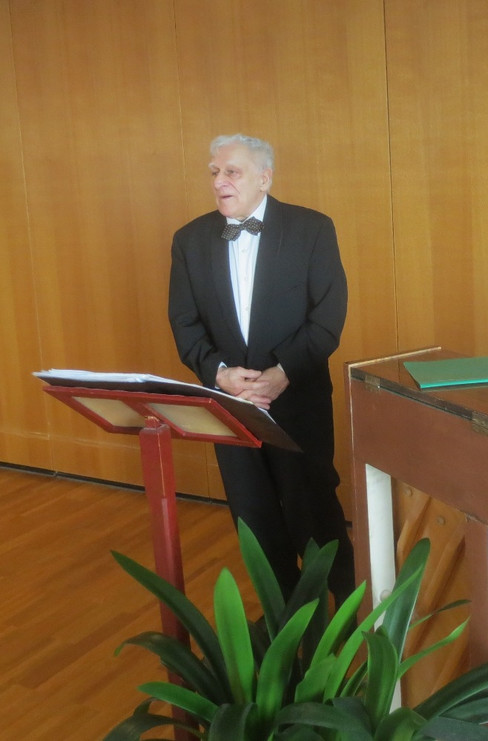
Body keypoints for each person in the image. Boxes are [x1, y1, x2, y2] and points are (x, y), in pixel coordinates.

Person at [168, 133, 355, 599]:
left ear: (264, 179)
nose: (219, 181)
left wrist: (282, 373)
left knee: (314, 513)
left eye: (232, 172)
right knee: (253, 519)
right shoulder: (189, 240)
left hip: (299, 400)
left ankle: (348, 618)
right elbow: (184, 322)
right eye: (215, 172)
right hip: (230, 405)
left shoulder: (312, 229)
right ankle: (283, 621)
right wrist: (219, 374)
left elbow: (328, 317)